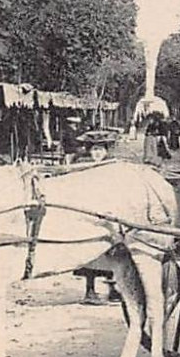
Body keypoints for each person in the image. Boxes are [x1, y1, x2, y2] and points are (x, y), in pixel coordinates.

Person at [71, 130, 121, 306]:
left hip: (109, 213)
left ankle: (114, 289)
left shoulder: (113, 167)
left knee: (114, 251)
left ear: (106, 151)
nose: (97, 153)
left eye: (100, 149)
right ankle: (90, 290)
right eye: (94, 150)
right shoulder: (82, 167)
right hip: (89, 214)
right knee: (89, 254)